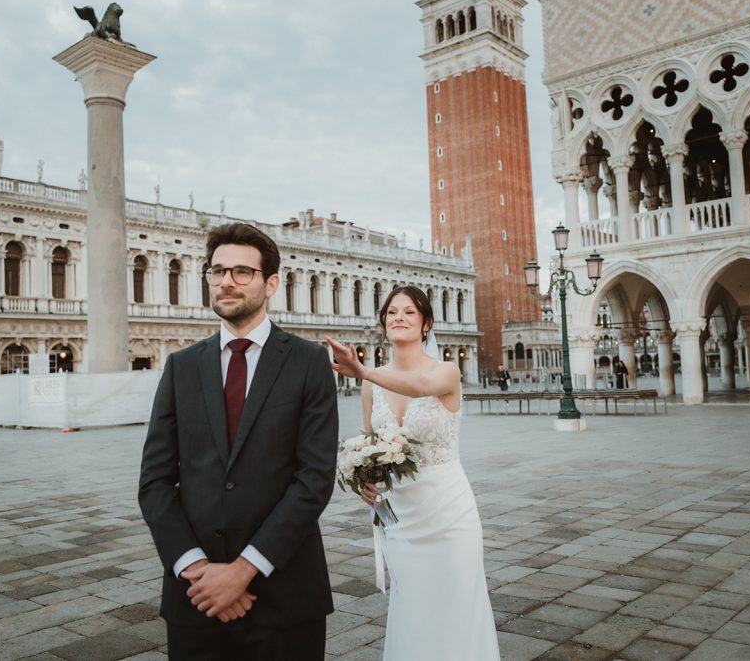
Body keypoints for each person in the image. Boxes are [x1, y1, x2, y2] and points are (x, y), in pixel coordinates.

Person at [139, 223, 339, 660]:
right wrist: (196, 569)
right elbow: (154, 481)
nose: (226, 281)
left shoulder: (309, 363)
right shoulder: (181, 367)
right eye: (218, 271)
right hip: (198, 598)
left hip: (284, 595)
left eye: (242, 272)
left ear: (271, 284)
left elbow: (315, 480)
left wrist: (244, 570)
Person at [326, 286, 500, 661]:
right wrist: (365, 482)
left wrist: (363, 371)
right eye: (391, 313)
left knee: (457, 607)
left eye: (409, 312)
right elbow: (370, 444)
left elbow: (421, 386)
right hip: (401, 518)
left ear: (426, 325)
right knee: (413, 609)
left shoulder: (446, 371)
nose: (398, 318)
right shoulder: (370, 385)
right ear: (383, 323)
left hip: (449, 512)